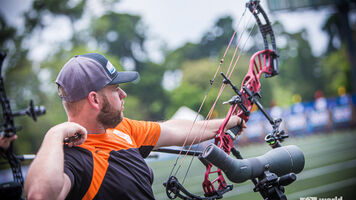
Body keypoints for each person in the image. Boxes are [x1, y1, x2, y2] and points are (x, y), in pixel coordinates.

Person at [24, 53, 245, 200]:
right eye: (116, 89)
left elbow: (174, 130)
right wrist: (54, 133)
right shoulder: (73, 157)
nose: (123, 94)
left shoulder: (121, 128)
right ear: (95, 99)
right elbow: (39, 195)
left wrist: (227, 122)